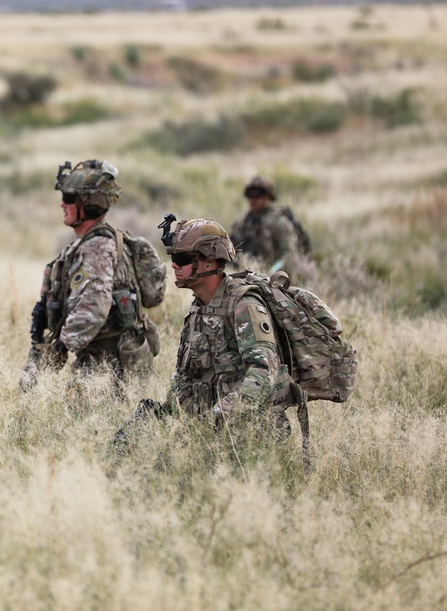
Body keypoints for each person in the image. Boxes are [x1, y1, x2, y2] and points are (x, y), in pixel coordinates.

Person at [125, 218, 297, 438]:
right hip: (207, 433)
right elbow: (185, 375)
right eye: (173, 258)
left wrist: (220, 415)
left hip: (247, 435)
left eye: (182, 258)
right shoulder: (199, 308)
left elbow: (263, 372)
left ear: (210, 262)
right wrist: (169, 412)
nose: (174, 265)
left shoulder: (244, 305)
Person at [23, 159, 161, 389]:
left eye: (68, 199)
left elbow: (94, 305)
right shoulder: (90, 243)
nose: (62, 205)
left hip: (110, 369)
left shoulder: (97, 248)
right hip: (108, 362)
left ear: (88, 204)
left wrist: (60, 348)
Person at [230, 175, 303, 274]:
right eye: (249, 195)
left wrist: (272, 272)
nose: (253, 199)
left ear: (269, 196)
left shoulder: (279, 222)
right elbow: (231, 251)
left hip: (272, 279)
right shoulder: (241, 223)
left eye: (258, 195)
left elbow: (289, 256)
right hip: (244, 276)